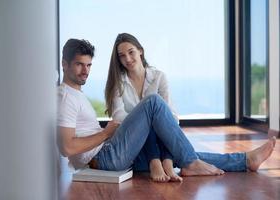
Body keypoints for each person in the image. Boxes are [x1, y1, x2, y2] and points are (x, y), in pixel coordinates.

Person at [57, 38, 276, 182]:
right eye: (79, 65)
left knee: (183, 153)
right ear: (64, 64)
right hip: (105, 159)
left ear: (141, 52)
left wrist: (111, 133)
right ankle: (190, 163)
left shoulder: (75, 93)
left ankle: (245, 160)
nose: (85, 71)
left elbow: (170, 117)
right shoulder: (66, 96)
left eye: (88, 65)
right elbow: (67, 147)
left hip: (111, 154)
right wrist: (106, 133)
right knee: (152, 103)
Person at [105, 33, 181, 182]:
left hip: (160, 138)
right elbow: (118, 116)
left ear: (141, 51)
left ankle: (166, 161)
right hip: (133, 141)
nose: (127, 59)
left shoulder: (159, 77)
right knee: (150, 118)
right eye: (122, 56)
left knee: (162, 119)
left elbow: (172, 117)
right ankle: (155, 161)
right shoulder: (118, 83)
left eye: (131, 52)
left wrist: (151, 118)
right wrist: (144, 118)